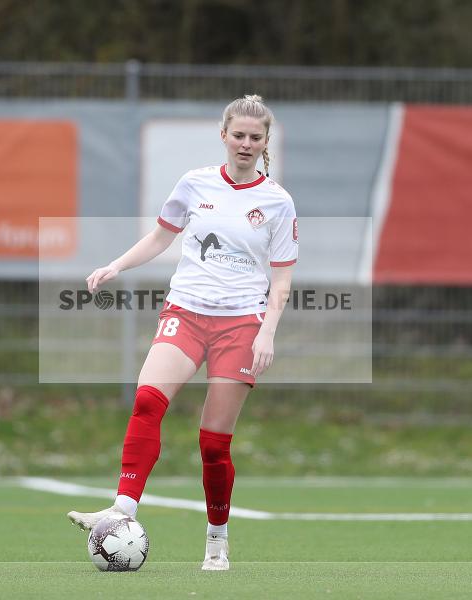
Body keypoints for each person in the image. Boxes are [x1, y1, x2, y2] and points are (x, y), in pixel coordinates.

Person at [67, 94, 297, 571]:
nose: (246, 144)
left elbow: (282, 278)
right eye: (239, 135)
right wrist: (116, 266)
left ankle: (217, 539)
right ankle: (122, 509)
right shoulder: (194, 184)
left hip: (240, 325)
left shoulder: (277, 202)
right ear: (224, 136)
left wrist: (267, 332)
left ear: (265, 142)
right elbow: (160, 236)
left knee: (213, 443)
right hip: (187, 312)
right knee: (148, 400)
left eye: (256, 137)